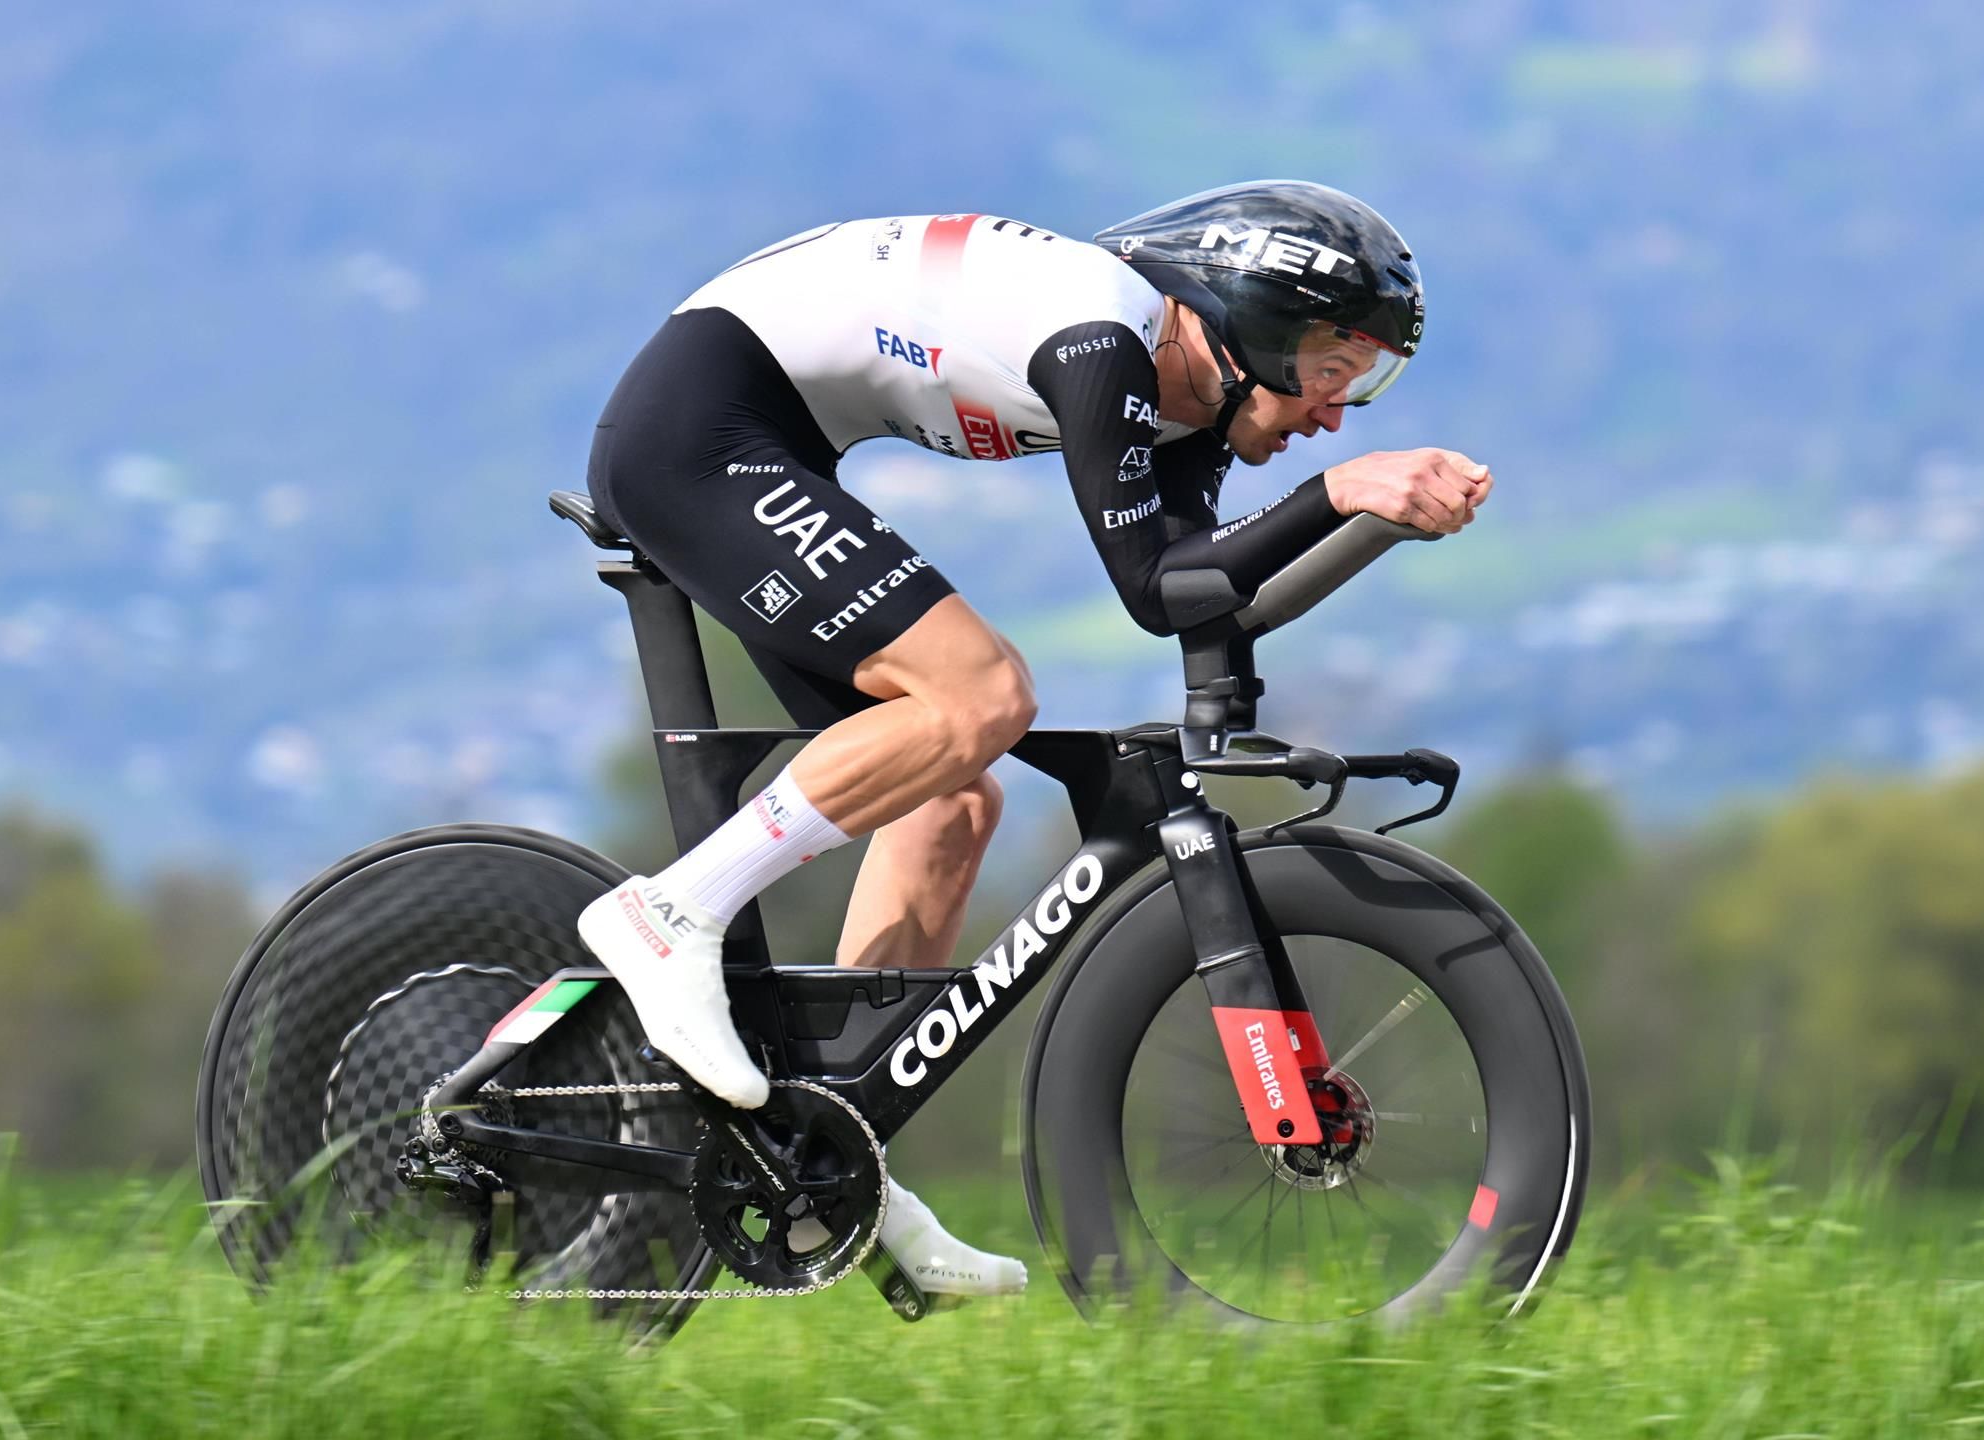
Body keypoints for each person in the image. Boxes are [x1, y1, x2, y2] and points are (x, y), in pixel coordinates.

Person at [575, 180, 1490, 1296]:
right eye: (1333, 370)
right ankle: (671, 914)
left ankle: (822, 1149)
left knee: (951, 803)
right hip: (698, 433)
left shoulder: (1186, 402)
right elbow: (1155, 587)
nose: (1337, 414)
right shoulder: (1101, 338)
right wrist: (1341, 492)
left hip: (766, 439)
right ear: (1248, 323)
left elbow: (1202, 588)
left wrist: (1361, 524)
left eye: (1365, 385)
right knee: (980, 697)